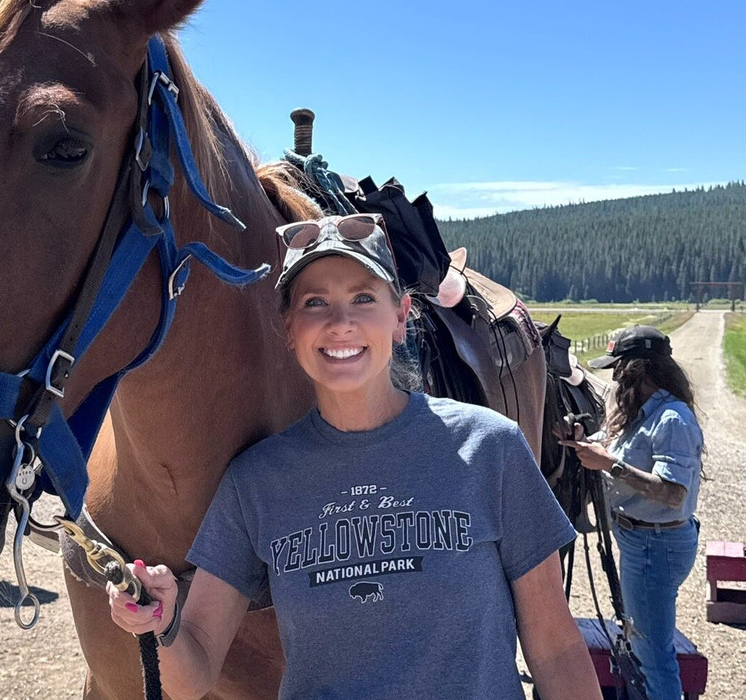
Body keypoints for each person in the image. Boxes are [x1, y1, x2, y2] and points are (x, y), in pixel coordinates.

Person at [108, 213, 601, 700]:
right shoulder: (255, 481)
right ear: (290, 329)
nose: (340, 323)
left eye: (363, 298)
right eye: (315, 303)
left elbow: (556, 650)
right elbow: (191, 676)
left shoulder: (492, 447)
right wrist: (161, 623)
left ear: (401, 317)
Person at [561, 325, 704, 700]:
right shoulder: (642, 413)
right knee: (644, 644)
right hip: (644, 541)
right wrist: (584, 443)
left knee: (653, 655)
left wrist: (609, 465)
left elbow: (673, 493)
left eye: (618, 369)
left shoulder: (672, 420)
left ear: (637, 369)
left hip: (655, 545)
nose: (614, 378)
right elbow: (616, 448)